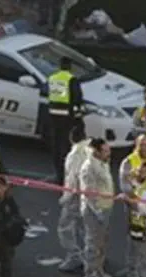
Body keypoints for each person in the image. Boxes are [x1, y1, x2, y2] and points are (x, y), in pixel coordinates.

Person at [119, 134, 146, 277]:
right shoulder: (129, 162)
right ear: (136, 145)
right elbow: (125, 186)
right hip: (135, 207)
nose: (145, 147)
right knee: (134, 238)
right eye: (142, 144)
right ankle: (132, 269)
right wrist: (136, 204)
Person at [80, 138, 115, 277]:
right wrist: (97, 211)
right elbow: (89, 193)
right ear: (96, 152)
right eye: (105, 151)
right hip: (94, 210)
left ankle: (98, 269)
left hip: (105, 207)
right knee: (92, 242)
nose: (109, 153)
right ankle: (90, 274)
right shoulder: (89, 168)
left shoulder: (103, 164)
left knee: (102, 242)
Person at [57, 124, 92, 273]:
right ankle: (90, 256)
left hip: (76, 197)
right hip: (91, 196)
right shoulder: (92, 151)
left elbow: (72, 179)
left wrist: (65, 198)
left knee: (65, 227)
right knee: (85, 227)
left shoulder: (75, 154)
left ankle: (74, 256)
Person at [48, 56, 85, 185]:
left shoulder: (52, 78)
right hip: (67, 118)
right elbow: (77, 100)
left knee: (56, 147)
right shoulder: (71, 79)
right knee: (68, 147)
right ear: (70, 67)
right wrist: (78, 118)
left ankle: (59, 175)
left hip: (53, 118)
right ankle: (68, 176)